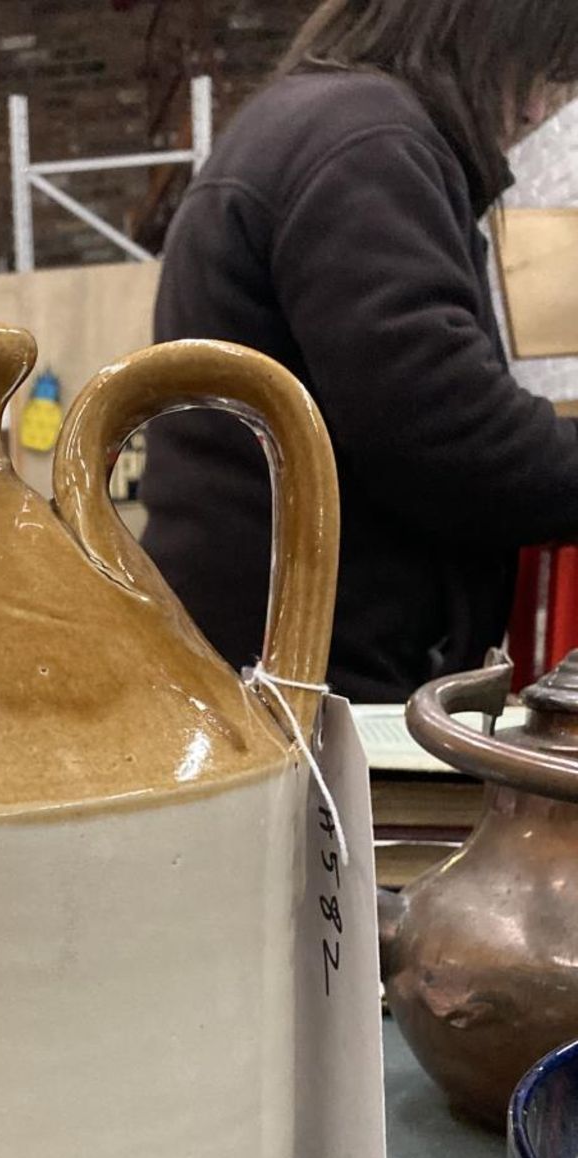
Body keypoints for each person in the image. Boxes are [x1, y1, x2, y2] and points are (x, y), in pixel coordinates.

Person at [141, 0, 578, 703]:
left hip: (260, 664)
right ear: (477, 36)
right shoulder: (367, 145)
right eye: (540, 75)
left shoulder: (321, 125)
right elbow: (448, 436)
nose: (534, 115)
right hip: (317, 688)